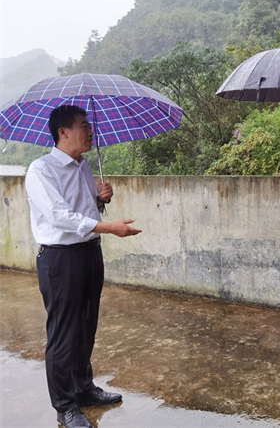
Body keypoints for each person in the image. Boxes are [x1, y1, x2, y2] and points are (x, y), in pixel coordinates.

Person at [25, 105, 142, 428]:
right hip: (60, 259)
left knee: (86, 326)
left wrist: (101, 199)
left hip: (89, 253)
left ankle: (83, 388)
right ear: (63, 132)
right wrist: (110, 227)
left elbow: (87, 210)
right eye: (84, 126)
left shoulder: (82, 166)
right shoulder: (41, 170)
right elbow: (59, 216)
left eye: (89, 126)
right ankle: (65, 405)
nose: (90, 131)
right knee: (64, 332)